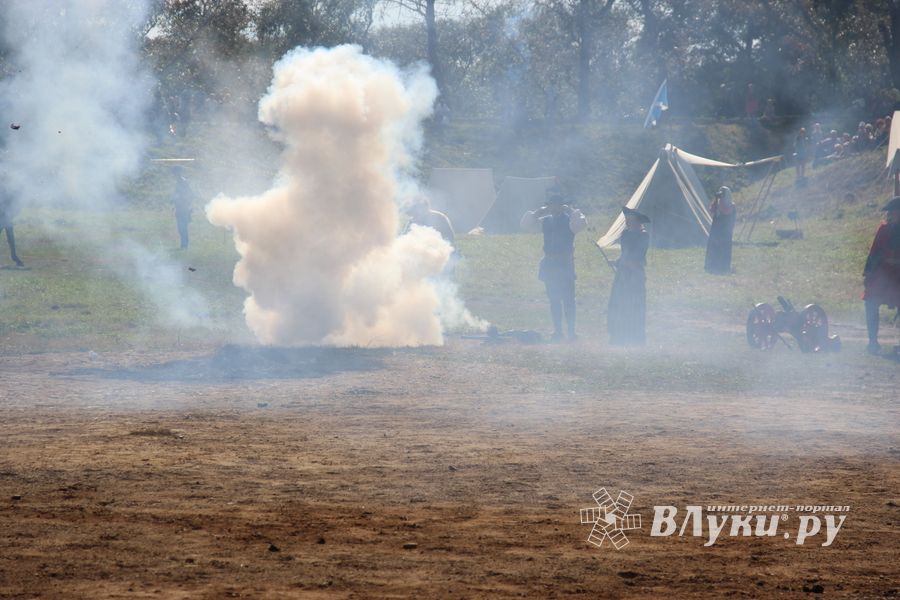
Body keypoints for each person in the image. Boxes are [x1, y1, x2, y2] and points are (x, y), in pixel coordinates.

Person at [520, 191, 587, 342]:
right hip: (550, 265)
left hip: (565, 265)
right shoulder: (545, 220)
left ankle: (571, 332)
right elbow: (525, 225)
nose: (554, 208)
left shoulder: (570, 220)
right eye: (551, 205)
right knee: (554, 299)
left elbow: (582, 224)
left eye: (557, 205)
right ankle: (558, 331)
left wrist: (570, 210)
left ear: (561, 206)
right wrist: (539, 211)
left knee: (568, 300)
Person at [862, 197, 900, 355]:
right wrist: (868, 273)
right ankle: (873, 342)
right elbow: (874, 252)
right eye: (889, 213)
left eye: (893, 212)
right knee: (870, 301)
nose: (890, 215)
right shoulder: (884, 230)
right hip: (882, 275)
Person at [607, 206, 650, 346]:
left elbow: (637, 258)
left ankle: (635, 337)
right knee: (619, 304)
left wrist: (624, 263)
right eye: (627, 218)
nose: (627, 220)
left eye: (630, 218)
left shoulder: (643, 236)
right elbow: (624, 254)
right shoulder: (625, 235)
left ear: (636, 220)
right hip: (623, 275)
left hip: (635, 276)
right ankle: (619, 335)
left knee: (634, 306)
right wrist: (617, 262)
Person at [704, 186, 736, 274]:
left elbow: (729, 215)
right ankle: (712, 266)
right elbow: (711, 209)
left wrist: (720, 202)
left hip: (725, 232)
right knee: (714, 248)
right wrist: (716, 200)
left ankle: (723, 267)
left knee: (723, 249)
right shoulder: (718, 204)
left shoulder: (732, 206)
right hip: (716, 230)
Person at [0, 190, 24, 267]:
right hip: (3, 219)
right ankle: (14, 257)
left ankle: (14, 257)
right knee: (11, 240)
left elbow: (15, 210)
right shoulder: (6, 194)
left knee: (11, 240)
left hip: (7, 220)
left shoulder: (10, 196)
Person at [172, 166, 194, 249]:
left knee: (183, 227)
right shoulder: (179, 182)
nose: (174, 175)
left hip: (184, 207)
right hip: (180, 207)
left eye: (175, 173)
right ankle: (184, 244)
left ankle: (184, 244)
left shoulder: (183, 182)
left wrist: (187, 204)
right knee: (181, 228)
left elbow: (189, 194)